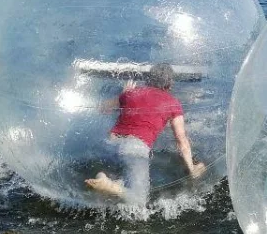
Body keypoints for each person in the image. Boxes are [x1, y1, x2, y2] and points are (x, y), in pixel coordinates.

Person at [85, 63, 206, 209]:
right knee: (139, 200)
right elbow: (182, 141)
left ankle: (102, 177)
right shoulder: (173, 103)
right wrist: (191, 168)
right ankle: (108, 184)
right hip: (133, 148)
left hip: (109, 144)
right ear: (170, 84)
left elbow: (103, 108)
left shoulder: (131, 93)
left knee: (122, 178)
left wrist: (123, 93)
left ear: (148, 80)